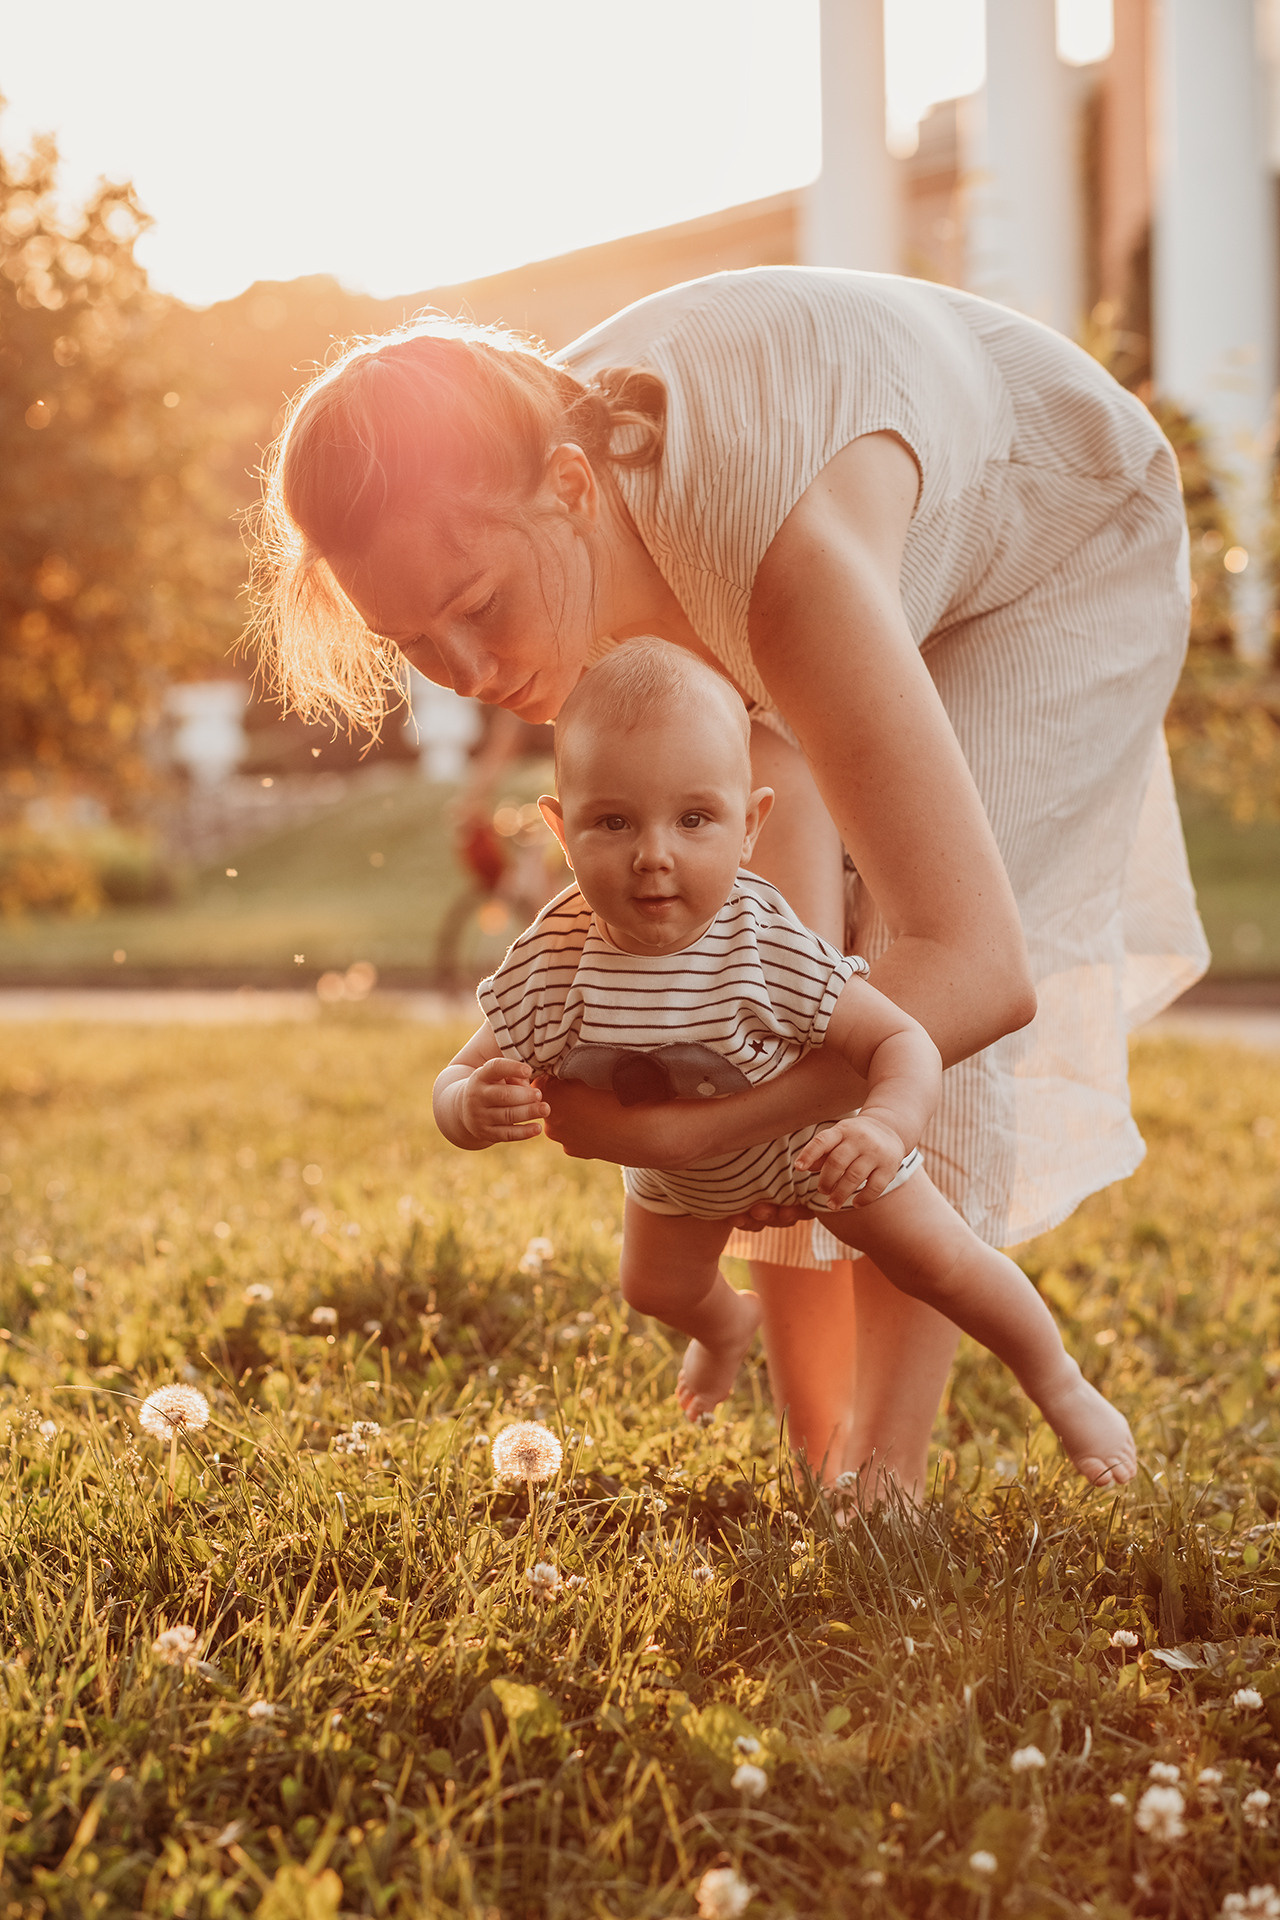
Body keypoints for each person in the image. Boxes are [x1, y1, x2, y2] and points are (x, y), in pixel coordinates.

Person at [250, 265, 1208, 1502]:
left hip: (1052, 527)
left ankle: (883, 1484)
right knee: (774, 954)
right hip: (791, 549)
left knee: (887, 988)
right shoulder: (514, 485)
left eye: (476, 608)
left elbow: (973, 968)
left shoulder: (771, 560)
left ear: (571, 492)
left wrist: (680, 1135)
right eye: (411, 642)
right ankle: (816, 1450)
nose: (468, 669)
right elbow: (728, 967)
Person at [432, 640, 1137, 1488]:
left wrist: (885, 1125)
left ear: (750, 824)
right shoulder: (554, 954)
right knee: (650, 1288)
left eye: (695, 819)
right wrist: (471, 1107)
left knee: (942, 1262)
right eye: (613, 821)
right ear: (559, 826)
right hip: (678, 1186)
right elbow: (453, 1078)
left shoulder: (760, 937)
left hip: (819, 1155)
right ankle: (726, 1326)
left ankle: (1058, 1382)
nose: (654, 853)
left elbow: (898, 1040)